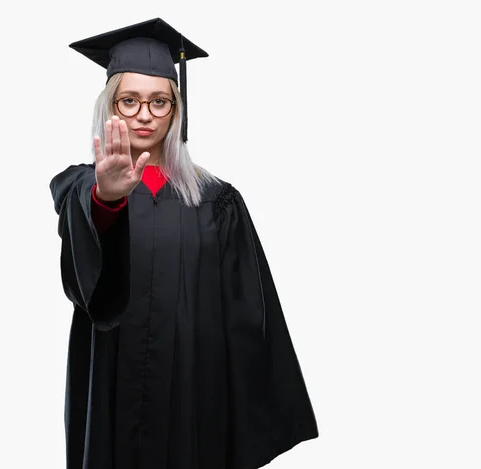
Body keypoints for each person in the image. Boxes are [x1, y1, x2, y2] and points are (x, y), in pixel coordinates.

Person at [49, 17, 319, 469]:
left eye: (159, 102)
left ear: (177, 110)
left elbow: (248, 313)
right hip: (114, 388)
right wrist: (108, 198)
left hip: (194, 392)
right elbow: (88, 284)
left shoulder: (215, 200)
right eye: (129, 100)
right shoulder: (84, 186)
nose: (144, 113)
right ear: (109, 107)